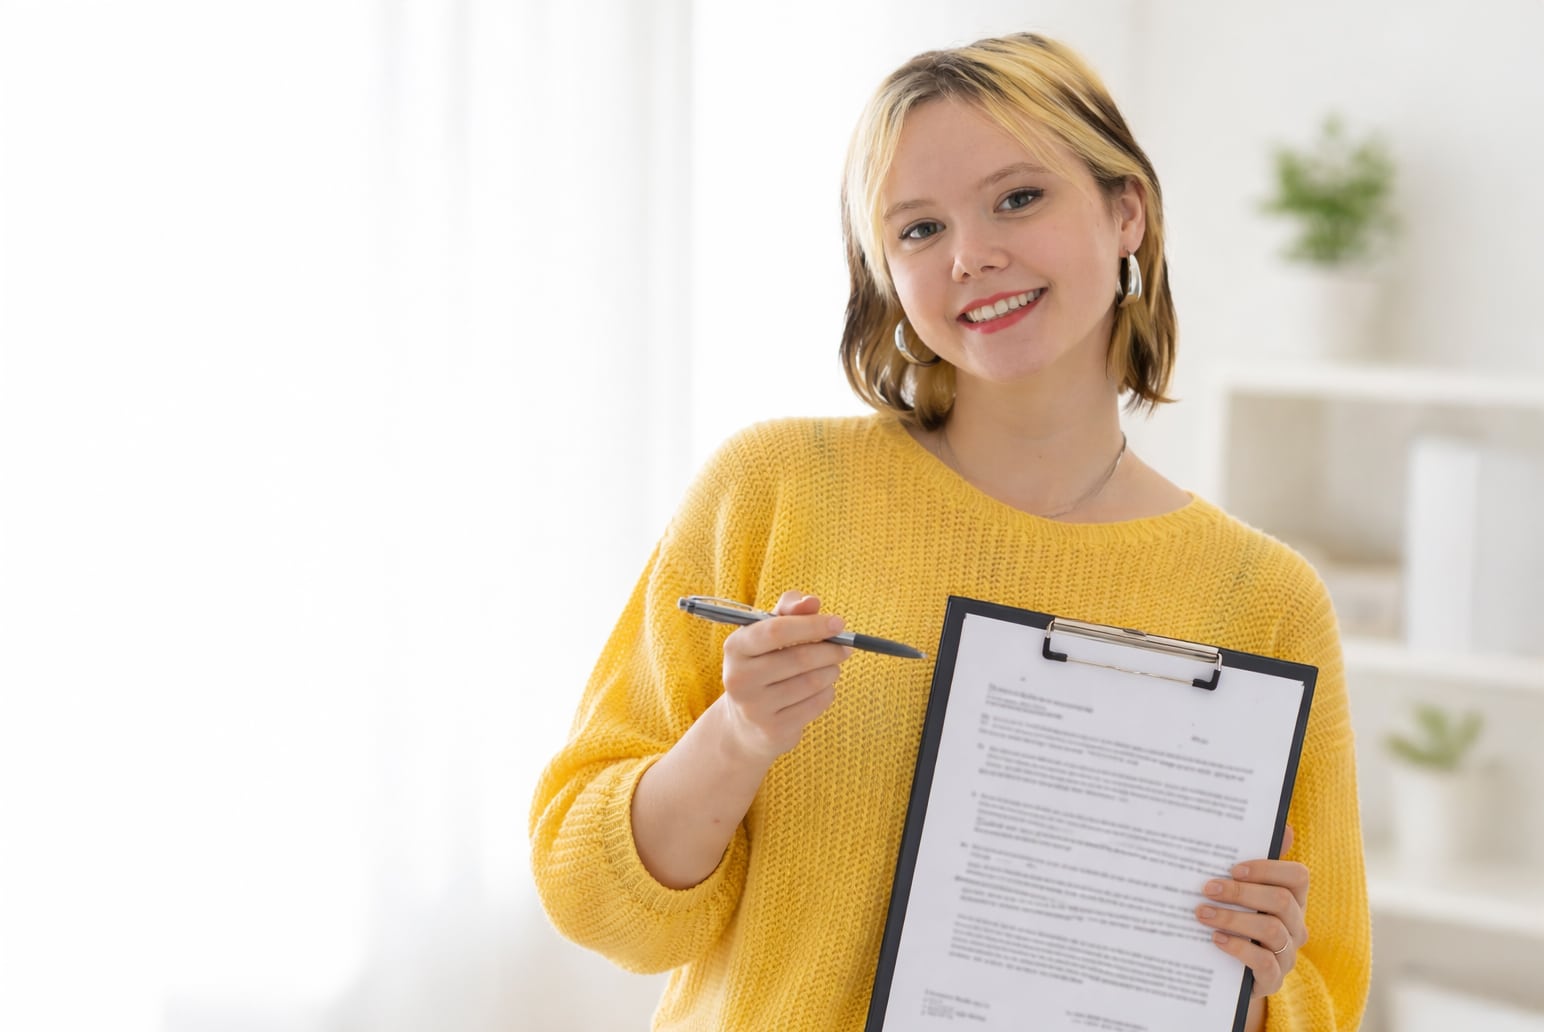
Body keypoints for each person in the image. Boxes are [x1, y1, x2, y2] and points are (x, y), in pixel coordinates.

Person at [529, 31, 1370, 1032]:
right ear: (884, 274)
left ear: (1124, 212)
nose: (972, 256)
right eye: (918, 230)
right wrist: (736, 736)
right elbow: (593, 900)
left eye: (1017, 198)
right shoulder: (774, 488)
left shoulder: (1262, 599)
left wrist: (1254, 981)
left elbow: (1324, 991)